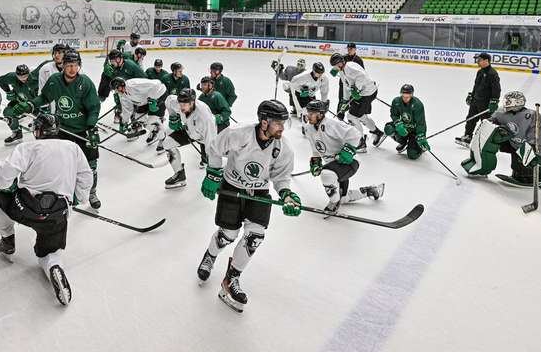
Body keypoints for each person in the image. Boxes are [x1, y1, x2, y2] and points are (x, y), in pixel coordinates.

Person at [197, 100, 301, 313]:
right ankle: (210, 255)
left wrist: (287, 194)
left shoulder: (283, 148)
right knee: (228, 234)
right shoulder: (239, 133)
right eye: (278, 123)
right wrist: (213, 173)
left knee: (255, 237)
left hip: (259, 193)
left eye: (284, 122)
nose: (282, 127)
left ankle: (231, 279)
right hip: (232, 187)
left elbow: (281, 177)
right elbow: (215, 148)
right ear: (264, 122)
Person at [0, 114, 93, 306]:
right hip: (58, 212)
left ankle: (7, 241)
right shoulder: (73, 147)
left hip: (26, 208)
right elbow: (86, 177)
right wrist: (79, 198)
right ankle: (54, 266)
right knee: (49, 252)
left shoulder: (26, 148)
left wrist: (8, 185)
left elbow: (2, 178)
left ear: (38, 130)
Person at [9, 50, 103, 208]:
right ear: (63, 66)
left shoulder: (85, 82)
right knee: (61, 163)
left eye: (75, 65)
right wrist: (30, 104)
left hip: (82, 130)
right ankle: (64, 190)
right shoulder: (54, 80)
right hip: (62, 130)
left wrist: (92, 128)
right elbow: (44, 97)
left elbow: (94, 107)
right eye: (69, 65)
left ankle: (91, 192)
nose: (73, 69)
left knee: (91, 164)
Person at [461, 91, 541, 189]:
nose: (506, 103)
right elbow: (490, 123)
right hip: (512, 143)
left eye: (509, 101)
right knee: (494, 144)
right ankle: (482, 166)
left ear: (518, 102)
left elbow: (536, 139)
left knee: (525, 175)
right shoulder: (501, 112)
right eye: (506, 101)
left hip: (526, 147)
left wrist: (534, 154)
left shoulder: (532, 116)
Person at [303, 100, 383, 212]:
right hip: (334, 165)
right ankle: (369, 190)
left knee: (326, 175)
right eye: (308, 113)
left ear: (320, 114)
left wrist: (348, 150)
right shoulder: (308, 128)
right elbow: (315, 148)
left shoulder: (331, 123)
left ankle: (334, 203)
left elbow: (355, 135)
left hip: (348, 162)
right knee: (343, 198)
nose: (308, 116)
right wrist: (315, 161)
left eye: (312, 113)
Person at [158, 89, 218, 189]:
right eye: (180, 104)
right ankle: (180, 175)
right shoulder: (178, 103)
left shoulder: (204, 117)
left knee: (211, 159)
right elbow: (168, 100)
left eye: (184, 104)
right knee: (167, 143)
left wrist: (213, 173)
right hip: (188, 130)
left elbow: (211, 141)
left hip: (203, 136)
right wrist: (173, 117)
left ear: (192, 102)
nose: (181, 107)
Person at [330, 53, 385, 152]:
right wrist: (345, 101)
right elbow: (346, 86)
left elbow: (362, 76)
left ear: (340, 63)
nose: (334, 68)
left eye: (334, 66)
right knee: (360, 115)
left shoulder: (350, 67)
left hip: (367, 93)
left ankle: (361, 143)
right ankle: (377, 133)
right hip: (363, 93)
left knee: (351, 116)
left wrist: (357, 89)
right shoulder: (342, 71)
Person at [455, 52, 501, 147]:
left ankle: (486, 141)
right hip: (476, 101)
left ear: (486, 61)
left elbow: (496, 89)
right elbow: (476, 85)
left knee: (486, 123)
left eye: (479, 60)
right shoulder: (480, 72)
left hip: (485, 104)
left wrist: (494, 101)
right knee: (470, 119)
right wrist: (472, 95)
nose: (477, 62)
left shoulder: (492, 74)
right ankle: (468, 136)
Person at [110, 76, 167, 143]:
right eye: (115, 90)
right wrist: (124, 122)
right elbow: (127, 109)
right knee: (140, 119)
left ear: (121, 85)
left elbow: (156, 84)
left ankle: (163, 139)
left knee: (152, 120)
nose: (116, 92)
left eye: (117, 89)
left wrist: (152, 100)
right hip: (145, 101)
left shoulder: (134, 85)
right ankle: (154, 129)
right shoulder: (122, 95)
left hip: (159, 95)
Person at [385, 84, 430, 159]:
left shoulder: (417, 105)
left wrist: (421, 136)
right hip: (404, 127)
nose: (405, 98)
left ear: (412, 95)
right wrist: (398, 123)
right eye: (403, 95)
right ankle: (403, 142)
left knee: (412, 155)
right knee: (389, 129)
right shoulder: (396, 101)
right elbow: (394, 114)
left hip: (414, 131)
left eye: (408, 96)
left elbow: (420, 123)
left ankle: (419, 148)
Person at [0, 65, 36, 144]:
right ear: (16, 75)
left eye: (25, 76)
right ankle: (16, 133)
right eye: (20, 77)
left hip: (36, 104)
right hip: (21, 101)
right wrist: (8, 91)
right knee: (7, 112)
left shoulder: (35, 80)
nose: (23, 79)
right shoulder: (12, 77)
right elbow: (0, 80)